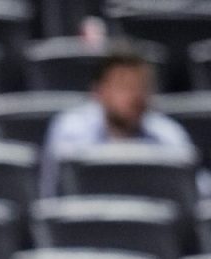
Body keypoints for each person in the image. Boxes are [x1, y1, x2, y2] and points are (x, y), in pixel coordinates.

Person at [39, 50, 195, 198]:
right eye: (124, 86)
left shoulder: (170, 136)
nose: (135, 96)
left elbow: (197, 196)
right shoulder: (70, 132)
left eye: (141, 86)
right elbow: (51, 199)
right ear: (99, 92)